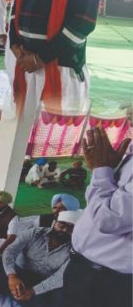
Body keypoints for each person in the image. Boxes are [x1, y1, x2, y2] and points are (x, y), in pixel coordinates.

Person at [63, 127, 132, 307]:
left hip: (104, 280)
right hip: (90, 270)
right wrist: (109, 169)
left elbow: (109, 219)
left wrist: (101, 170)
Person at [0, 210, 82, 307]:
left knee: (60, 299)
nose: (64, 230)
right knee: (1, 272)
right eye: (61, 225)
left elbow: (60, 276)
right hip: (20, 273)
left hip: (44, 281)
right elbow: (10, 251)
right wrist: (12, 276)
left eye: (71, 228)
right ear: (54, 222)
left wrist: (33, 291)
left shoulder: (74, 250)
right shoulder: (35, 232)